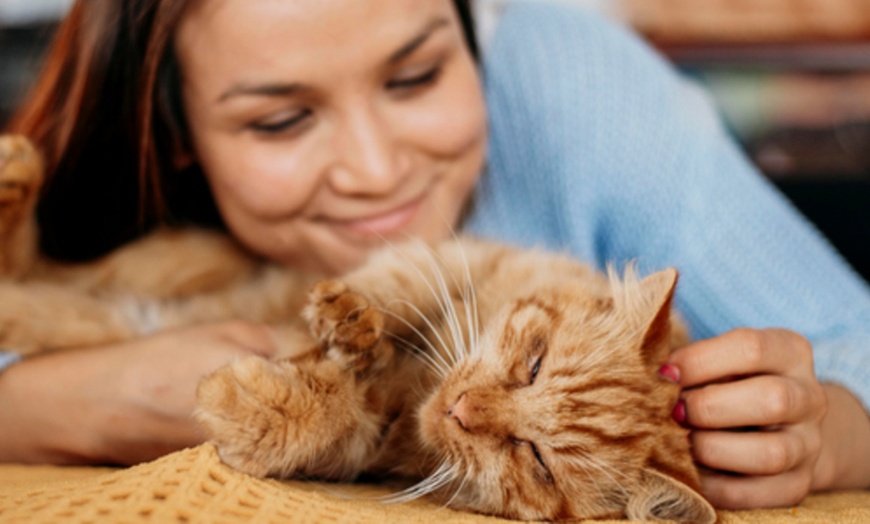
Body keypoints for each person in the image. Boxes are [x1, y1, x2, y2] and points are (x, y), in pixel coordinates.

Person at [0, 0, 868, 511]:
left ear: (472, 29)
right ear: (173, 131)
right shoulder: (104, 181)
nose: (378, 174)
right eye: (280, 120)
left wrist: (823, 432)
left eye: (415, 77)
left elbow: (853, 342)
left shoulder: (572, 80)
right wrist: (46, 403)